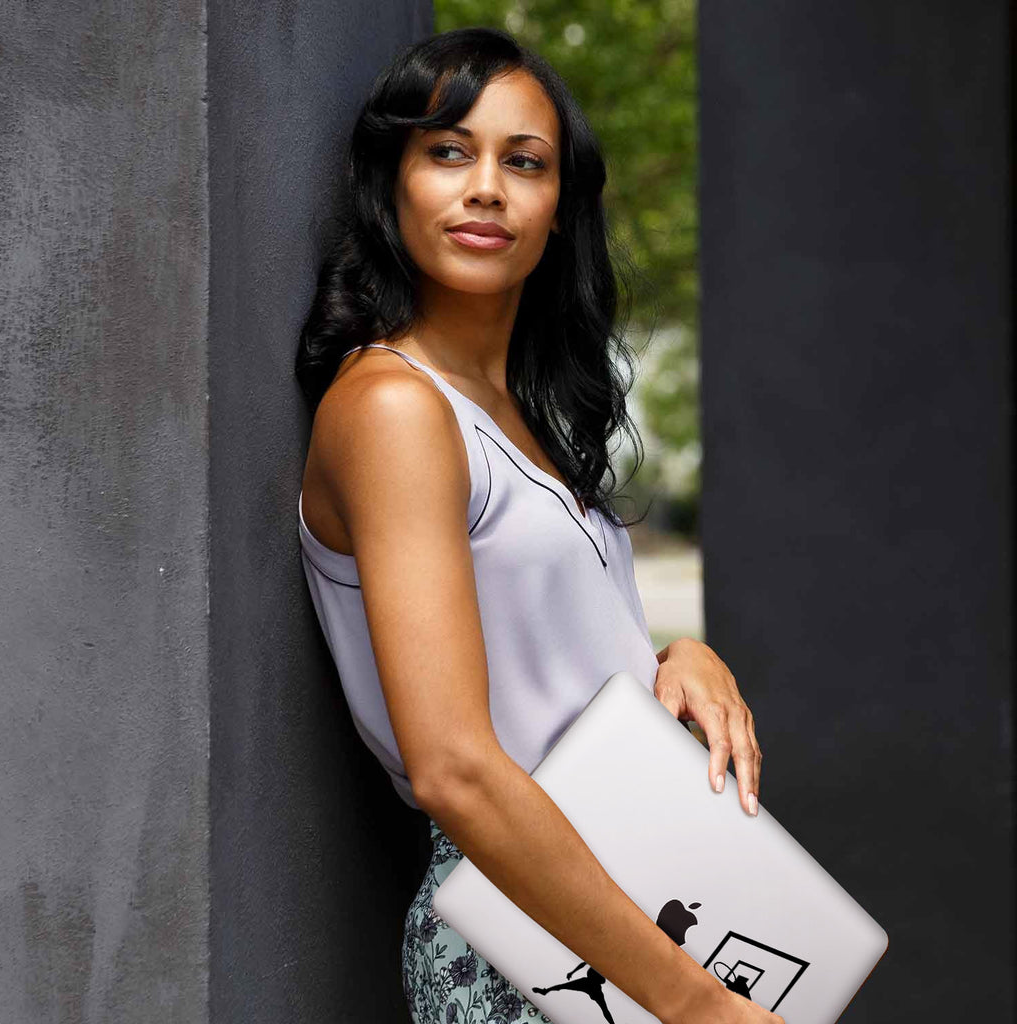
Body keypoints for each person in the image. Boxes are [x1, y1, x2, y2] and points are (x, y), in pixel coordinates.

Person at [294, 26, 780, 1024]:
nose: (485, 188)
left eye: (523, 162)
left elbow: (540, 663)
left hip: (626, 904)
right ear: (391, 184)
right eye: (447, 152)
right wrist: (697, 1007)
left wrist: (674, 661)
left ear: (559, 211)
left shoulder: (513, 413)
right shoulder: (394, 407)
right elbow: (456, 766)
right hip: (523, 936)